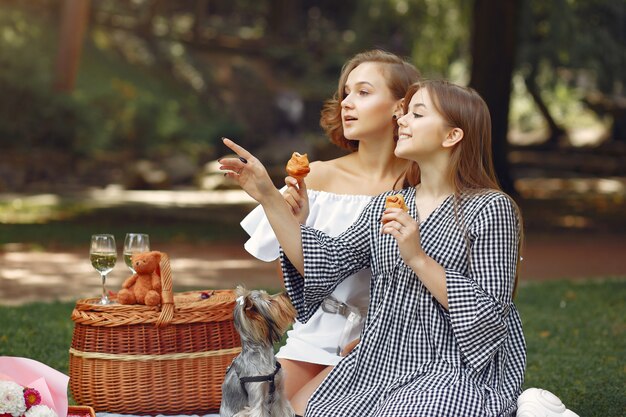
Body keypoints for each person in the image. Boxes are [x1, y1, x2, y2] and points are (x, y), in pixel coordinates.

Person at [220, 79, 526, 416]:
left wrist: (417, 258)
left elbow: (490, 315)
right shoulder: (386, 205)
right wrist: (267, 195)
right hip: (379, 359)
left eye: (417, 114)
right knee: (303, 411)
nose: (402, 121)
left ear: (451, 136)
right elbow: (323, 261)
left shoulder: (492, 208)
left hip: (450, 366)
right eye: (404, 113)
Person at [239, 50, 420, 413]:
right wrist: (296, 223)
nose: (347, 104)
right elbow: (294, 280)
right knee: (256, 410)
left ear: (401, 107)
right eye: (346, 93)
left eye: (364, 93)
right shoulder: (317, 176)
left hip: (386, 343)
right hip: (313, 334)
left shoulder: (421, 186)